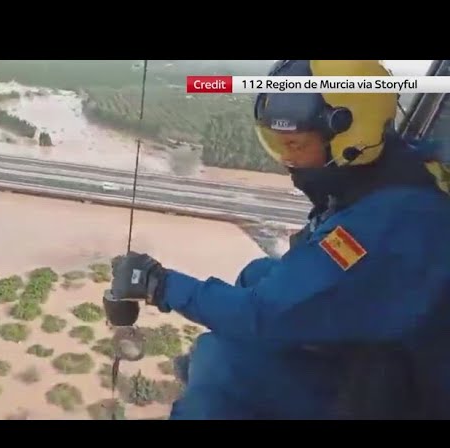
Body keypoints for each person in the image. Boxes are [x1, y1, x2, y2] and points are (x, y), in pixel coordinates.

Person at [108, 60, 450, 420]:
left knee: (221, 363)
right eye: (277, 143)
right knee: (259, 274)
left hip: (396, 389)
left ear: (354, 137)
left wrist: (157, 284)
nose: (287, 158)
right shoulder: (405, 169)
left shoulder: (377, 225)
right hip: (390, 338)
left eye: (296, 144)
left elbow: (263, 314)